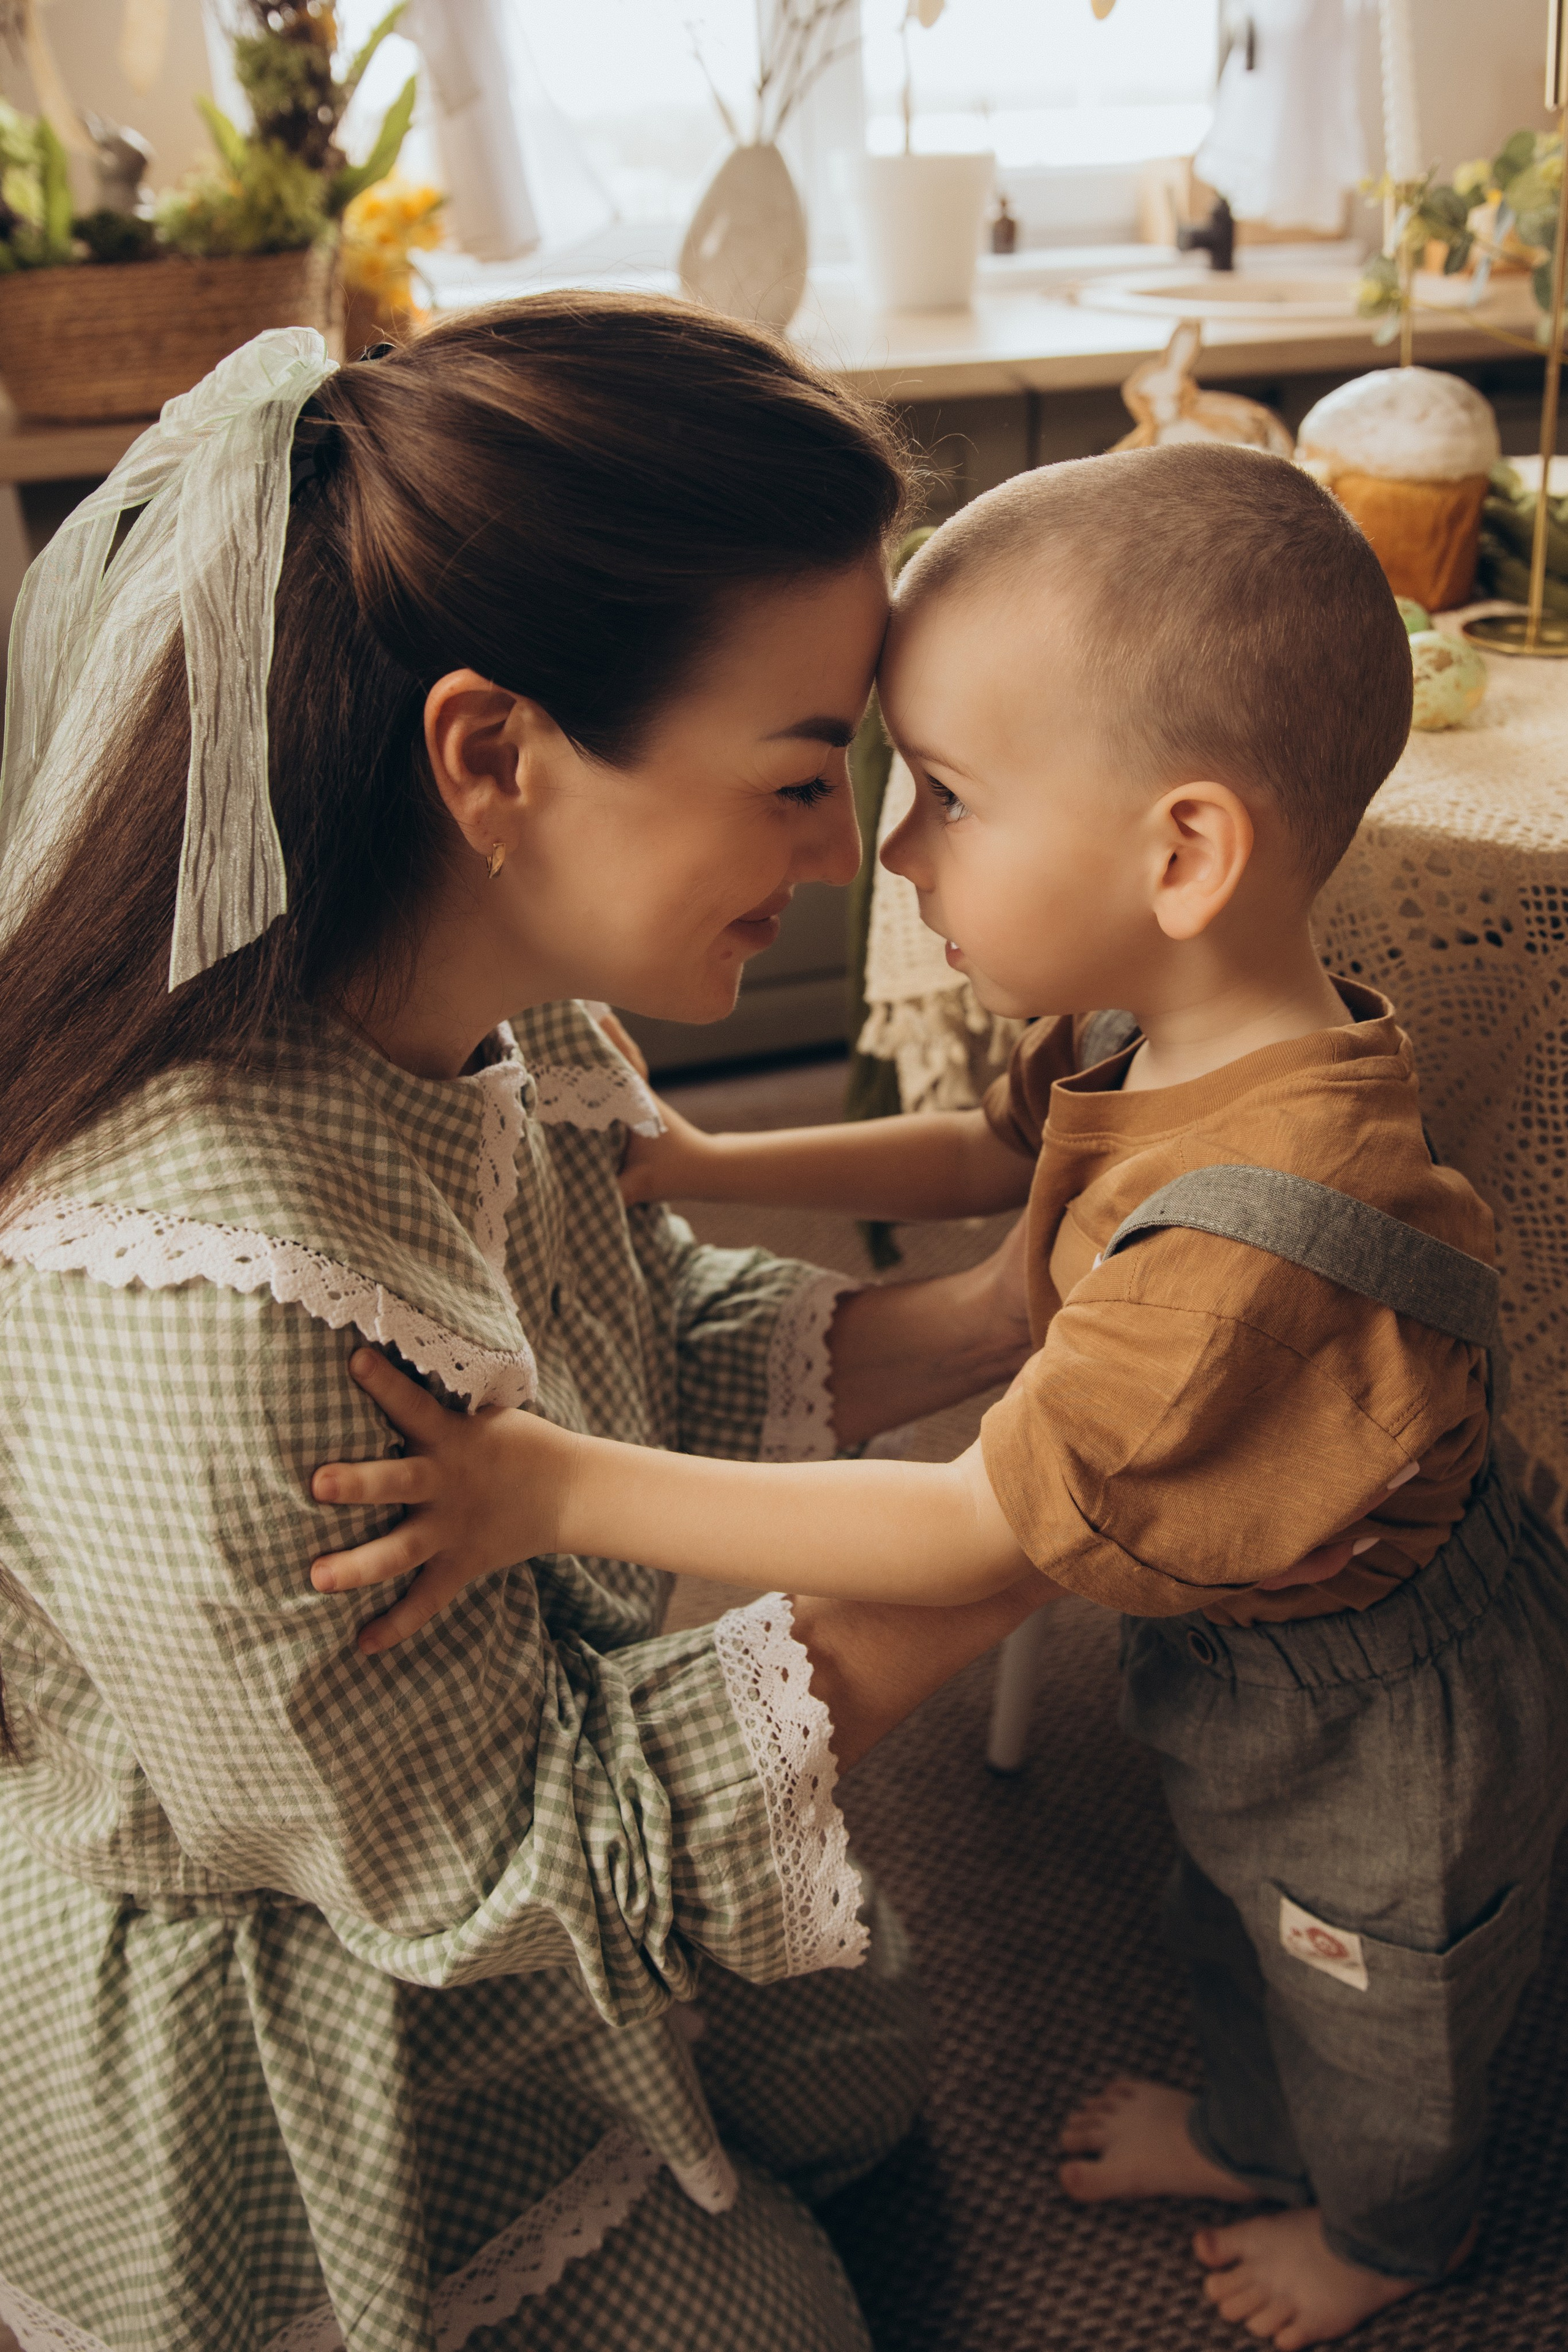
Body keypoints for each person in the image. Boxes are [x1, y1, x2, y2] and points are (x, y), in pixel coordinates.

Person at [315, 443, 1568, 2352]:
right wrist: (698, 1171)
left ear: (1183, 854)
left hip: (1393, 1710)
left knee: (1384, 1993)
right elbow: (996, 1161)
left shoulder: (1269, 1236)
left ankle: (1402, 2234)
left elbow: (970, 1520)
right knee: (1230, 1914)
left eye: (949, 802)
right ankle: (1252, 2126)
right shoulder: (1164, 1024)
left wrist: (553, 1486)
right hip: (1239, 1645)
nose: (886, 858)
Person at [0, 300, 1074, 2352]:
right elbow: (498, 1849)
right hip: (325, 1966)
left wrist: (1020, 1308)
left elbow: (644, 1327)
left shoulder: (499, 1007)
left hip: (495, 1772)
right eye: (792, 779)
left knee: (859, 2069)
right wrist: (1071, 1507)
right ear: (494, 755)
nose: (846, 852)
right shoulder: (198, 1309)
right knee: (786, 2320)